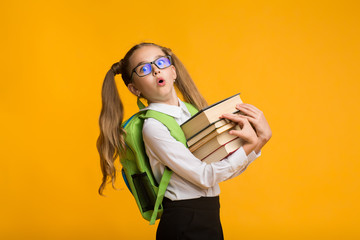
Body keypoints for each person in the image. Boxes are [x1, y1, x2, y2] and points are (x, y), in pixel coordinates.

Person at [97, 42, 272, 240]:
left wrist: (258, 143)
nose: (155, 70)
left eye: (160, 62)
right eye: (144, 69)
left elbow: (222, 171)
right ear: (134, 89)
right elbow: (205, 176)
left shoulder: (191, 113)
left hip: (210, 215)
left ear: (173, 72)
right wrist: (252, 145)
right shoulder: (153, 127)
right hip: (184, 221)